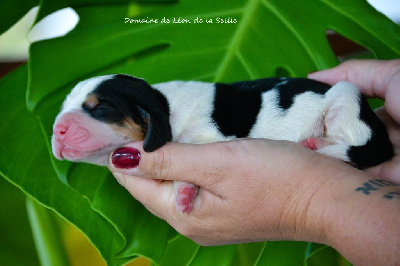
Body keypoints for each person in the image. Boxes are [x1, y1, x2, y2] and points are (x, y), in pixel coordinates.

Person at [108, 59, 400, 265]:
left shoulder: (202, 113)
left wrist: (307, 202)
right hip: (303, 128)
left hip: (327, 116)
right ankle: (344, 150)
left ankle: (352, 147)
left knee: (344, 93)